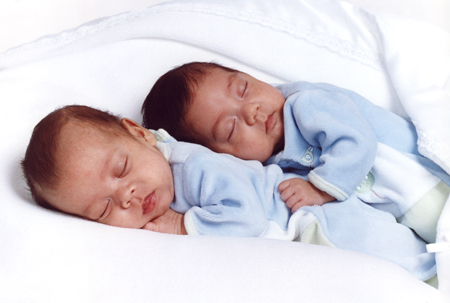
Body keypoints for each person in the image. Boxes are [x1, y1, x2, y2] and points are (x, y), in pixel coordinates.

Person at [22, 105, 436, 282]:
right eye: (103, 208)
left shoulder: (192, 167)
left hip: (315, 218)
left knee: (405, 270)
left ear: (139, 133)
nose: (127, 195)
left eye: (122, 169)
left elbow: (247, 218)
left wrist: (183, 224)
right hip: (298, 240)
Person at [141, 61, 450, 244]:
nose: (251, 111)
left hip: (418, 178)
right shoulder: (273, 162)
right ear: (226, 157)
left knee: (436, 220)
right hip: (397, 198)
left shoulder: (305, 105)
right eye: (230, 129)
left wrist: (319, 188)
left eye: (243, 89)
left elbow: (357, 142)